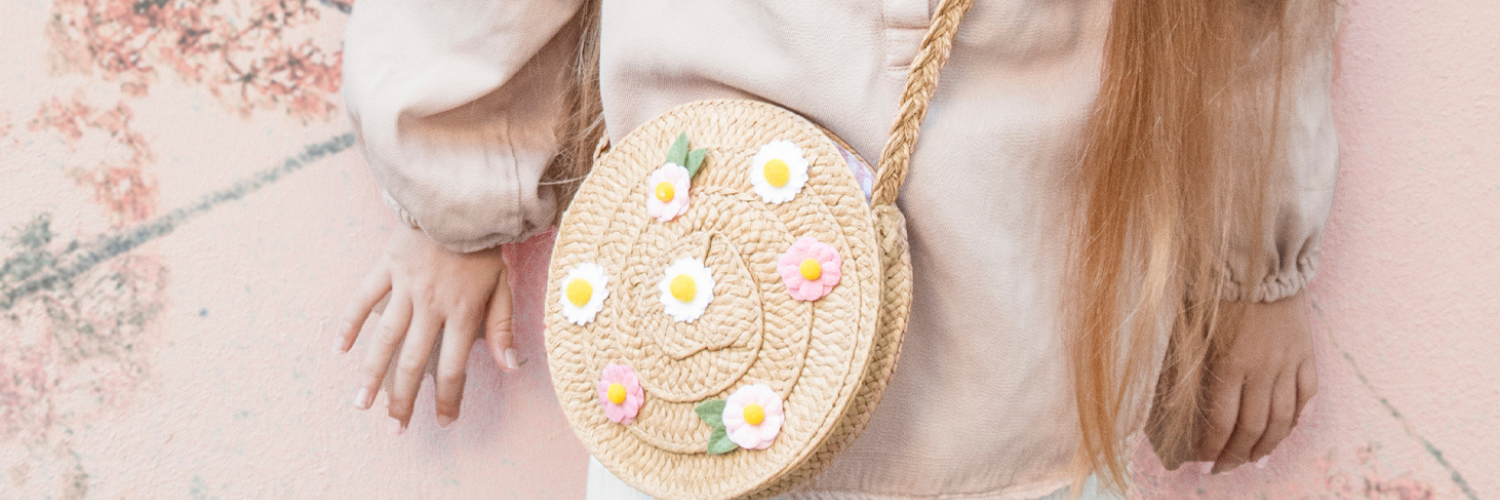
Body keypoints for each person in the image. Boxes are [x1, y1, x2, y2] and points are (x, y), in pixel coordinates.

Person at [332, 0, 1340, 498]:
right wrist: (450, 190)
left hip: (1015, 369)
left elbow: (1253, 25)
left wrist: (1252, 270)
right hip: (699, 370)